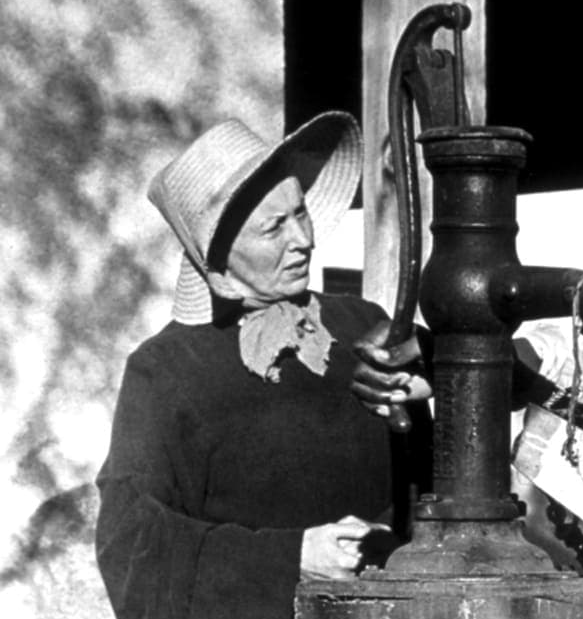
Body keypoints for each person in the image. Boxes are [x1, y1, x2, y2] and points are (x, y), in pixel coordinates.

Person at [95, 113, 431, 619]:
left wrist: (436, 361)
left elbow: (431, 470)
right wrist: (293, 559)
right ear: (219, 258)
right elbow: (131, 544)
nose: (304, 239)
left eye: (300, 213)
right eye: (274, 227)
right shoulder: (166, 371)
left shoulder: (362, 323)